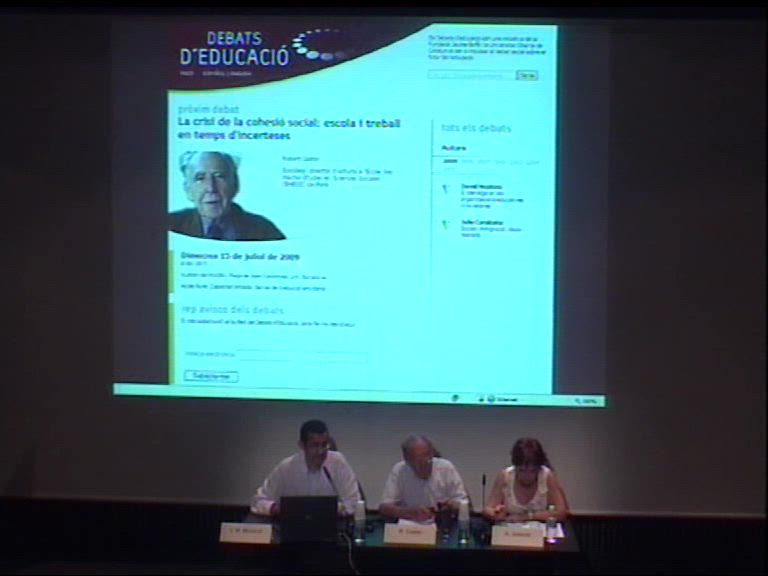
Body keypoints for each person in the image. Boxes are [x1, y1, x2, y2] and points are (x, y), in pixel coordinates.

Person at [250, 420, 361, 516]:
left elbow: (355, 503)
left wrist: (332, 509)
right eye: (315, 445)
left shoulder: (337, 462)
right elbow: (257, 501)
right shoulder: (287, 468)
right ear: (302, 445)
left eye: (324, 445)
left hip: (332, 526)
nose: (321, 451)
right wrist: (278, 509)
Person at [169, 151, 285, 241]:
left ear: (235, 184)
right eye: (200, 178)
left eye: (219, 176)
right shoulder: (170, 225)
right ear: (187, 189)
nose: (211, 188)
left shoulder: (264, 230)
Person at [379, 434, 469, 522]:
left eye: (428, 456)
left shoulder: (446, 468)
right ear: (407, 460)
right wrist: (409, 512)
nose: (425, 462)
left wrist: (451, 506)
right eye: (418, 460)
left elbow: (464, 503)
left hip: (443, 523)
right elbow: (384, 507)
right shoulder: (399, 470)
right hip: (410, 525)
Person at [483, 437, 569, 523]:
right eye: (522, 470)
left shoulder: (546, 476)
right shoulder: (505, 476)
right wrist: (495, 513)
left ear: (538, 468)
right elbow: (488, 509)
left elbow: (561, 513)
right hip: (511, 527)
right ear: (515, 467)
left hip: (540, 528)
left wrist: (527, 517)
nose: (527, 476)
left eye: (532, 471)